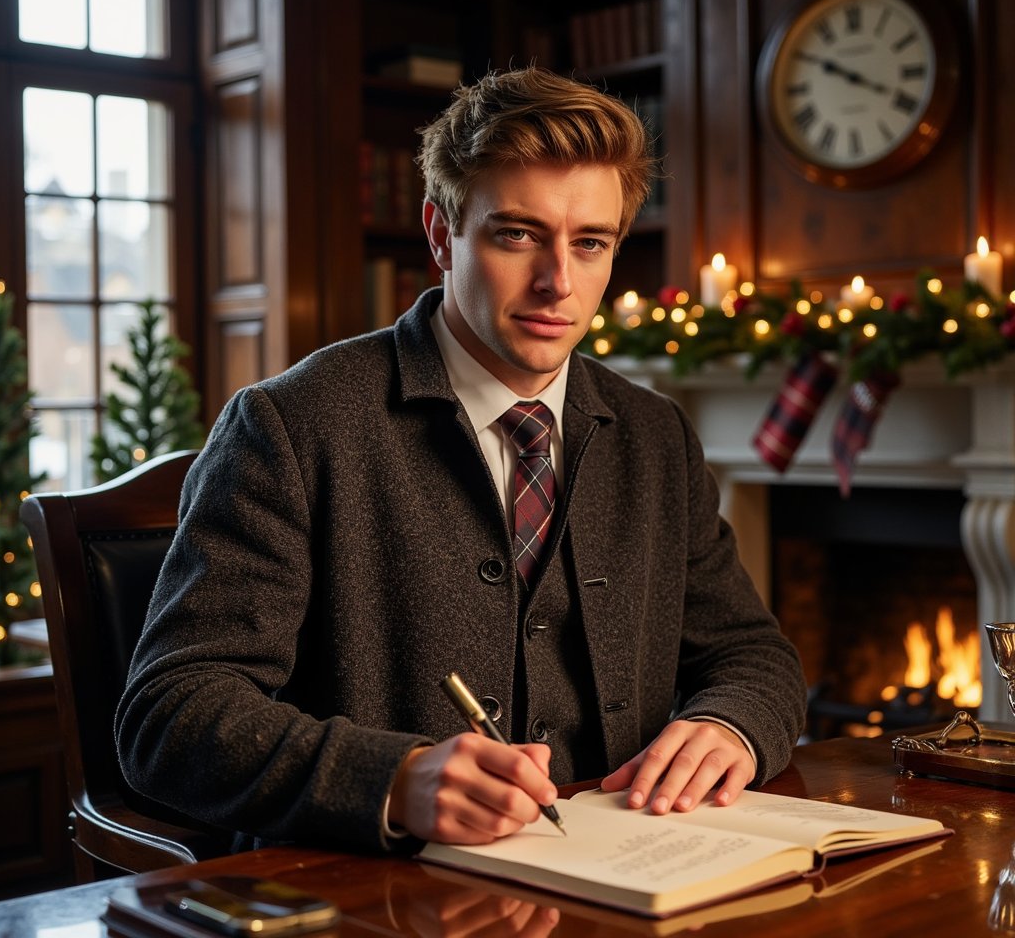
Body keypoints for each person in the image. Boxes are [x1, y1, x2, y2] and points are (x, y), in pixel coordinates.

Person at [116, 66, 807, 855]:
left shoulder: (655, 435)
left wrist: (730, 726)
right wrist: (394, 779)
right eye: (517, 234)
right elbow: (169, 717)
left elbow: (756, 657)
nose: (557, 282)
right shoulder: (291, 424)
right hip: (380, 897)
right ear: (442, 234)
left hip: (634, 879)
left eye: (590, 244)